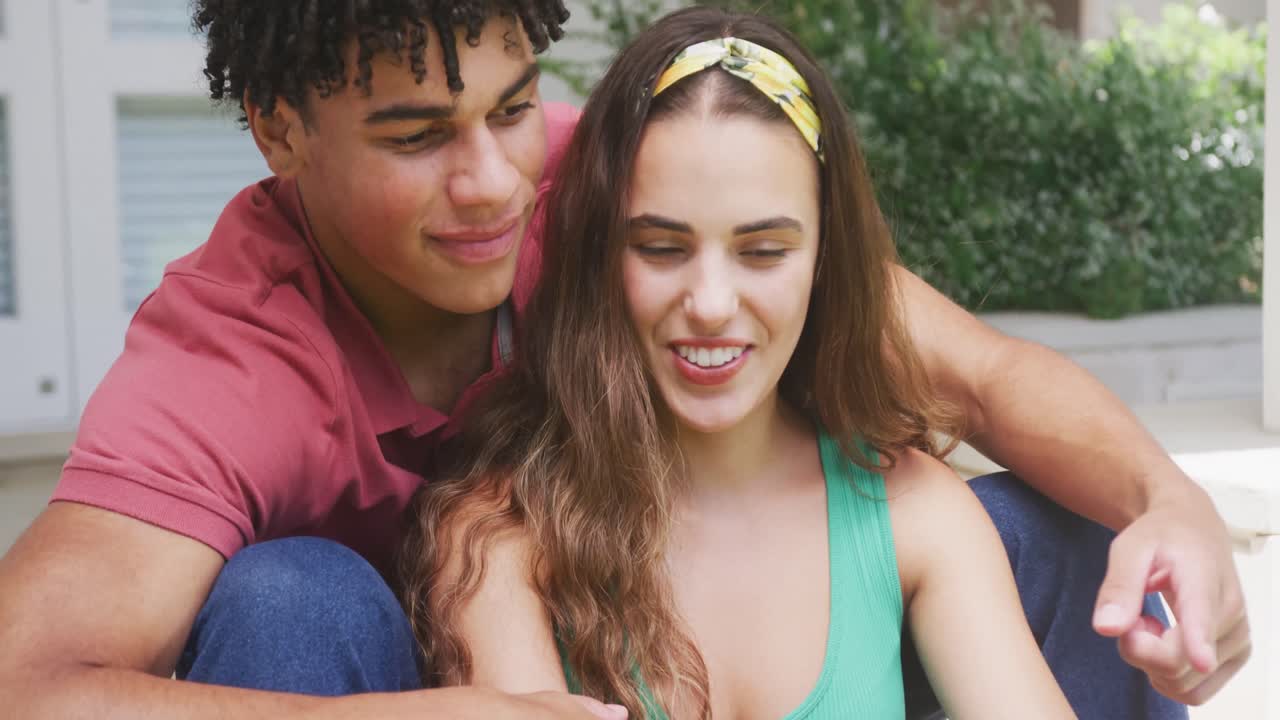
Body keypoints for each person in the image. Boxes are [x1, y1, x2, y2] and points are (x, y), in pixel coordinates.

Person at [0, 1, 1246, 717]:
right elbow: (30, 683)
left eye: (507, 107)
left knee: (1068, 527)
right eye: (417, 135)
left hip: (708, 580)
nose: (492, 181)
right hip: (410, 668)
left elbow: (978, 377)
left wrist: (1170, 503)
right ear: (280, 132)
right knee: (290, 600)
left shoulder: (616, 176)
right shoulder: (231, 355)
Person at [400, 9, 1079, 718]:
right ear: (602, 258)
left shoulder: (916, 514)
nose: (712, 304)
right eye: (662, 248)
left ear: (824, 261)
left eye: (762, 251)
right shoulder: (497, 536)